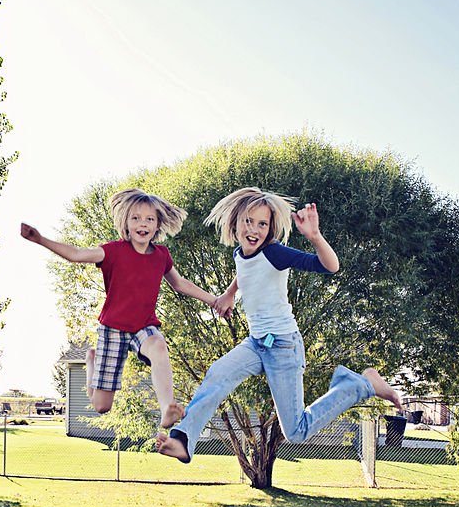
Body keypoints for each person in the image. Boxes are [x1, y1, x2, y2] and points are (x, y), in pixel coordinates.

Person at [156, 187, 402, 462]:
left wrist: (314, 236)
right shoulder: (240, 253)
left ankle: (360, 384)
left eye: (262, 224)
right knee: (218, 374)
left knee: (296, 431)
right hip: (256, 343)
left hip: (284, 346)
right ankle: (183, 439)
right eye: (248, 221)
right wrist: (229, 293)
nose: (254, 229)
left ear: (270, 229)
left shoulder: (276, 253)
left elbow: (330, 266)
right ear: (236, 222)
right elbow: (247, 272)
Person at [21, 188, 220, 429]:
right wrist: (40, 239)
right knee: (102, 406)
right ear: (126, 222)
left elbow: (179, 283)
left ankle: (167, 408)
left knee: (158, 345)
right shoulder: (113, 251)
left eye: (149, 219)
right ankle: (91, 363)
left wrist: (213, 300)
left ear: (158, 225)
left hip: (143, 326)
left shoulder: (161, 255)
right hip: (112, 329)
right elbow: (76, 254)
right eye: (136, 218)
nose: (142, 224)